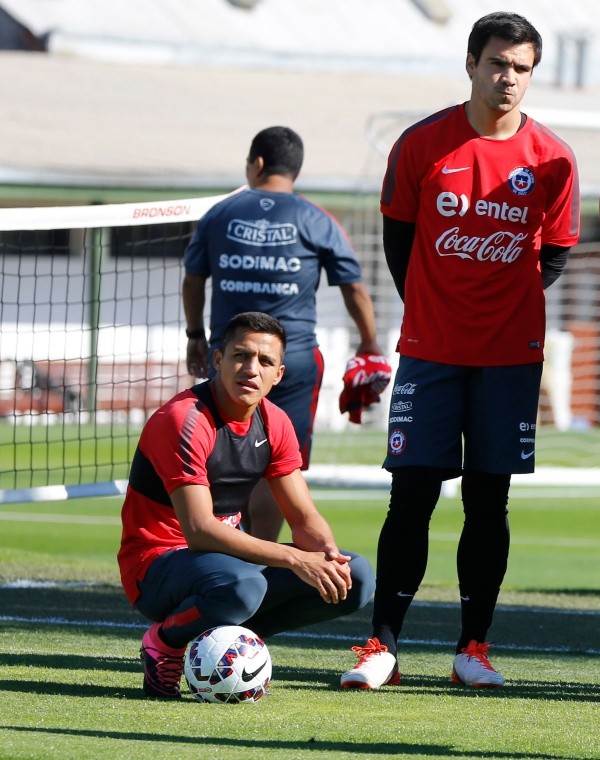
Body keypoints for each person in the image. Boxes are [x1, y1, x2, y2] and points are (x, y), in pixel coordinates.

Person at [341, 11, 580, 690]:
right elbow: (398, 240)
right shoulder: (421, 144)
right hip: (432, 351)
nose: (508, 78)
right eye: (497, 63)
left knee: (488, 500)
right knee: (411, 493)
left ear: (532, 75)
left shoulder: (554, 158)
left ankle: (473, 648)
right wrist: (435, 304)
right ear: (472, 64)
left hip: (510, 358)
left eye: (521, 68)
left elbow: (556, 253)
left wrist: (503, 306)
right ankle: (381, 647)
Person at [117, 311, 376, 699]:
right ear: (218, 360)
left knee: (355, 577)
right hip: (156, 566)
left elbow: (303, 516)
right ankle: (165, 641)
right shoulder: (184, 419)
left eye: (265, 361)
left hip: (225, 565)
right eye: (241, 356)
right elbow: (200, 531)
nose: (251, 369)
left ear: (278, 374)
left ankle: (232, 638)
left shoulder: (275, 422)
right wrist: (295, 559)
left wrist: (326, 555)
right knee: (243, 586)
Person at [182, 125, 387, 541]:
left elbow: (192, 280)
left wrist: (195, 336)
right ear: (295, 170)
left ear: (256, 164)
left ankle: (231, 550)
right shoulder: (317, 219)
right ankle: (262, 553)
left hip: (231, 358)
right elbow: (355, 290)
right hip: (291, 361)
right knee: (278, 463)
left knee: (223, 452)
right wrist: (368, 343)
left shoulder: (220, 214)